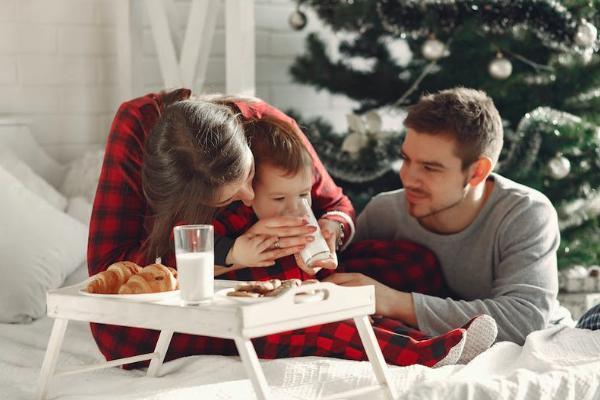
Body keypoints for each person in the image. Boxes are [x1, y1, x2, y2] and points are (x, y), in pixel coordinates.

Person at [87, 89, 473, 368]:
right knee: (124, 336)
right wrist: (229, 254)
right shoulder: (135, 129)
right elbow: (109, 272)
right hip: (206, 290)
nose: (248, 193)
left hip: (287, 276)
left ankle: (390, 330)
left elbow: (337, 205)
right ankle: (401, 346)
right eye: (226, 199)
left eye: (250, 174)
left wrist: (329, 231)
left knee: (411, 263)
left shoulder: (268, 127)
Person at [326, 87, 560, 345]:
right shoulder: (385, 211)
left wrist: (394, 301)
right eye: (406, 159)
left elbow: (524, 320)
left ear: (477, 172)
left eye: (430, 168)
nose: (408, 178)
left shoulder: (525, 213)